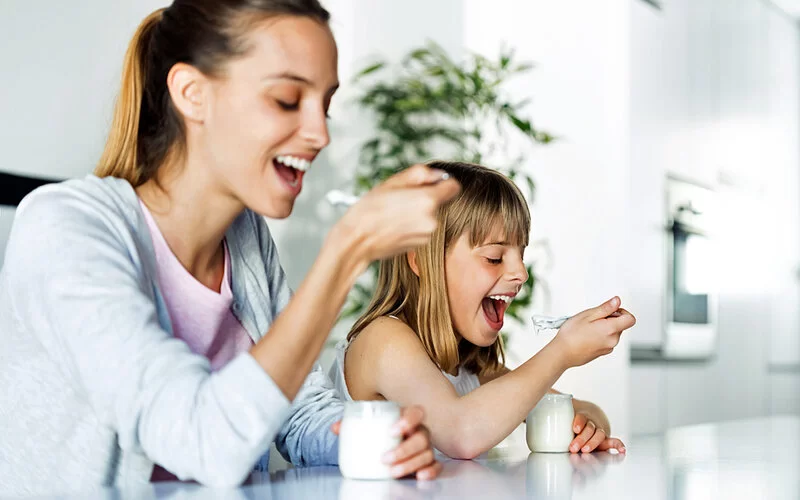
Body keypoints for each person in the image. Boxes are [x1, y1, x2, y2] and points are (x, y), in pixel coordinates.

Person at [0, 1, 461, 496]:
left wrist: (360, 440)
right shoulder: (65, 229)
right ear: (192, 94)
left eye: (324, 105)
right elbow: (203, 440)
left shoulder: (246, 239)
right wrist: (347, 251)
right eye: (287, 100)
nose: (319, 134)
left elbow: (297, 410)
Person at [329, 161, 635, 459]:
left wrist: (589, 426)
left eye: (521, 253)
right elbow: (461, 433)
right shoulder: (382, 339)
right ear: (420, 260)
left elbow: (581, 409)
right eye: (494, 257)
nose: (521, 274)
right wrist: (562, 351)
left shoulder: (473, 371)